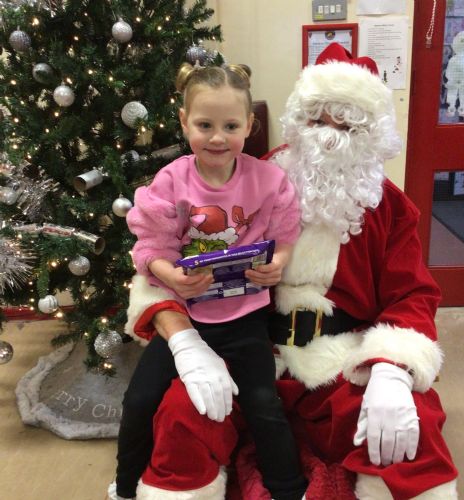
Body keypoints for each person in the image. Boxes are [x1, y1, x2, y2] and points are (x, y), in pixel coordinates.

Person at [121, 43, 459, 499]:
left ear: (371, 135)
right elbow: (162, 256)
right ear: (298, 121)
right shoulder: (250, 178)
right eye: (318, 120)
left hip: (340, 356)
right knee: (184, 412)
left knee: (408, 432)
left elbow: (413, 295)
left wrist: (392, 369)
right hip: (246, 338)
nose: (329, 137)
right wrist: (184, 342)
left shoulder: (389, 207)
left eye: (347, 124)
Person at [107, 62, 308, 500]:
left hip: (247, 318)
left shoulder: (269, 180)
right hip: (188, 319)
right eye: (204, 125)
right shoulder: (170, 181)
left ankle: (290, 490)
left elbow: (286, 233)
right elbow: (150, 249)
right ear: (184, 122)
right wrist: (170, 275)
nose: (218, 137)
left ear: (249, 125)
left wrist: (278, 264)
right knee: (139, 400)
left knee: (264, 404)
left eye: (230, 126)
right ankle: (124, 489)